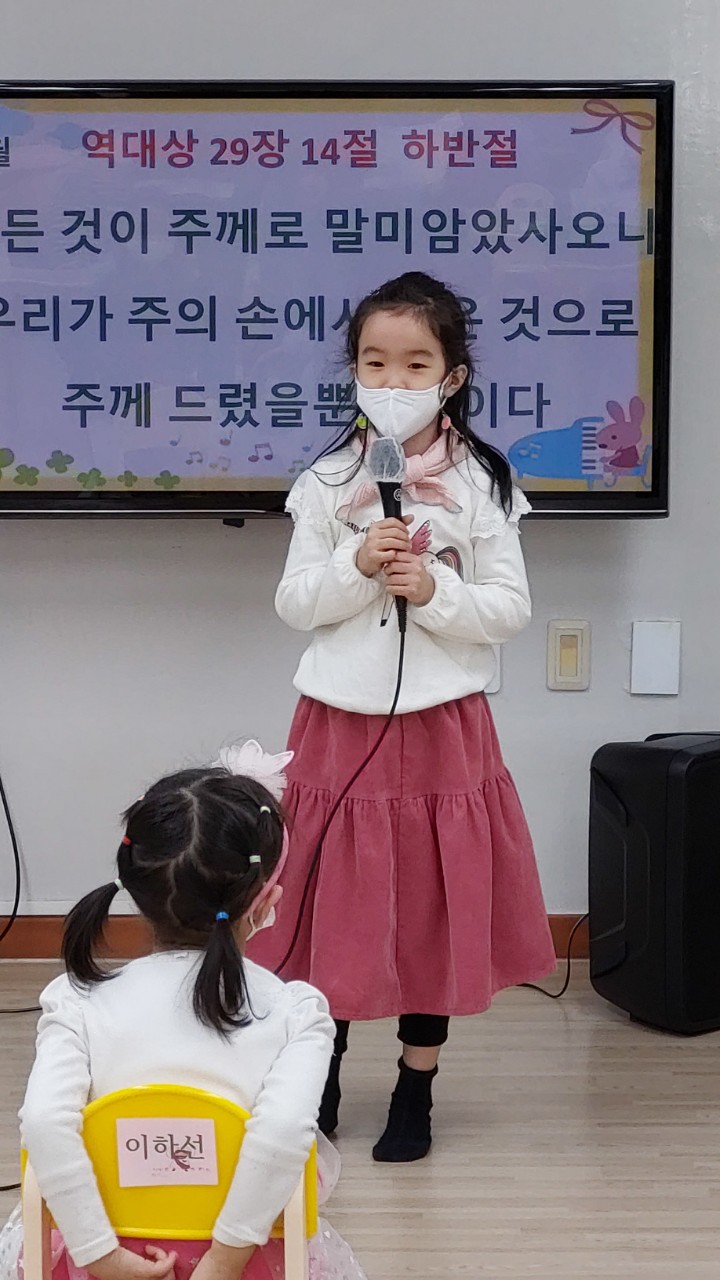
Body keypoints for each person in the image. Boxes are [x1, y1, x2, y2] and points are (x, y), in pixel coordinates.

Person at [249, 271, 557, 1164]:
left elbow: (509, 610)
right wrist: (356, 567)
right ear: (353, 369)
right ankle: (322, 1074)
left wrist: (435, 589)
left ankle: (415, 1087)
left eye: (415, 364)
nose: (393, 381)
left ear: (451, 377)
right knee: (332, 905)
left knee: (430, 905)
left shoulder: (482, 482)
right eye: (374, 362)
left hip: (441, 726)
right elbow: (294, 603)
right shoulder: (326, 480)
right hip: (336, 722)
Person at [0, 743, 366, 1280]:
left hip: (92, 1259)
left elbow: (44, 1123)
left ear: (136, 892)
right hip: (250, 1262)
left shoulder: (75, 1001)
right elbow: (283, 1131)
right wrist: (223, 1260)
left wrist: (99, 1254)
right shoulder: (296, 1014)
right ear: (266, 903)